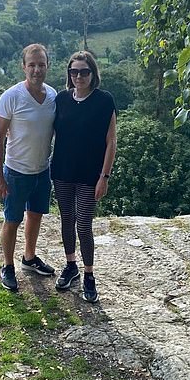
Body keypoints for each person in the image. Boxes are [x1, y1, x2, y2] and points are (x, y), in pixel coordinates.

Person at [51, 50, 117, 303]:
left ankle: (89, 274)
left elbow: (111, 142)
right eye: (74, 71)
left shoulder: (104, 100)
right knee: (66, 219)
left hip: (91, 174)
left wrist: (105, 176)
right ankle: (71, 265)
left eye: (84, 71)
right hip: (63, 171)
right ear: (69, 74)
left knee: (84, 224)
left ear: (93, 73)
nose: (79, 76)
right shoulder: (61, 99)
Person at [0, 43, 57, 291]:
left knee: (36, 215)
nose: (36, 70)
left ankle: (29, 258)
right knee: (12, 219)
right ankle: (8, 266)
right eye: (32, 65)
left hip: (42, 170)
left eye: (41, 65)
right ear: (23, 67)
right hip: (16, 171)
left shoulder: (52, 96)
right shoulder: (11, 97)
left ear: (47, 66)